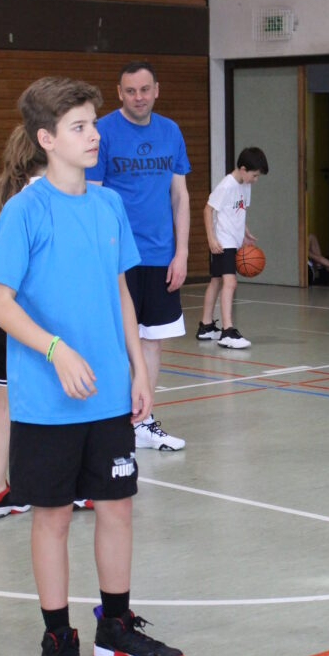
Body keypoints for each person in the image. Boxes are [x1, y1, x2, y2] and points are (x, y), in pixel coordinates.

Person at [0, 76, 184, 656]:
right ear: (47, 139)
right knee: (53, 519)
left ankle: (115, 627)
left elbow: (120, 291)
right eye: (80, 127)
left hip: (108, 393)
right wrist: (54, 348)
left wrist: (138, 368)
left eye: (94, 124)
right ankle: (57, 640)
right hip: (48, 400)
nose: (95, 135)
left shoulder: (108, 204)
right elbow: (0, 302)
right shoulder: (26, 210)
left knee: (118, 508)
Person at [0, 128, 92, 518]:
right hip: (18, 317)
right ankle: (70, 489)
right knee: (59, 403)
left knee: (6, 406)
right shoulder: (46, 199)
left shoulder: (11, 197)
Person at [86, 60, 190, 451]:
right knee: (116, 342)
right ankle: (111, 424)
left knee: (152, 341)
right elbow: (93, 197)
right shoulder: (103, 132)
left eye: (145, 89)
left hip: (160, 256)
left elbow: (179, 195)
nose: (138, 97)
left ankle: (142, 422)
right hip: (119, 258)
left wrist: (181, 252)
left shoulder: (171, 131)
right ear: (119, 93)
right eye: (130, 91)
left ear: (156, 90)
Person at [197, 147, 269, 349]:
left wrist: (244, 232)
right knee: (230, 283)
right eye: (254, 175)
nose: (255, 180)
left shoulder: (245, 185)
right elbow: (207, 210)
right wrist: (211, 239)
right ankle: (227, 331)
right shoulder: (227, 185)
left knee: (216, 281)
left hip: (233, 241)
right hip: (223, 241)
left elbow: (238, 211)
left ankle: (206, 326)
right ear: (243, 169)